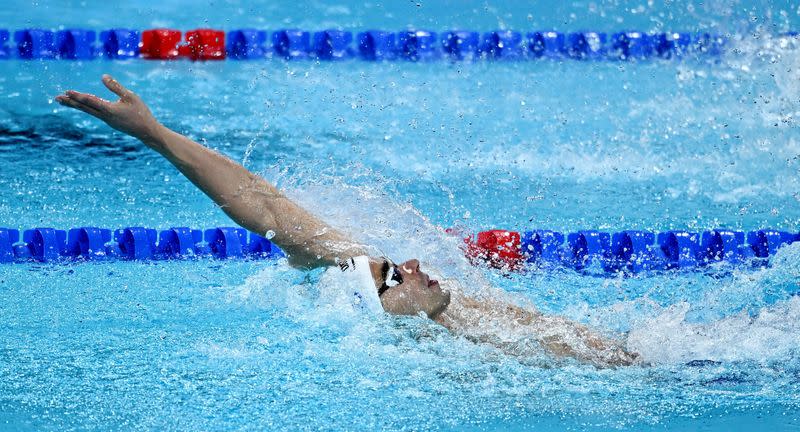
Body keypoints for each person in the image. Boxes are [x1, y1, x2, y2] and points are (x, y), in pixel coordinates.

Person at [55, 75, 641, 368]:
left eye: (393, 270)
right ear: (377, 310)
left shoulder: (440, 314)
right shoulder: (422, 361)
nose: (411, 266)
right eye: (394, 278)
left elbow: (266, 204)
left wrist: (156, 135)